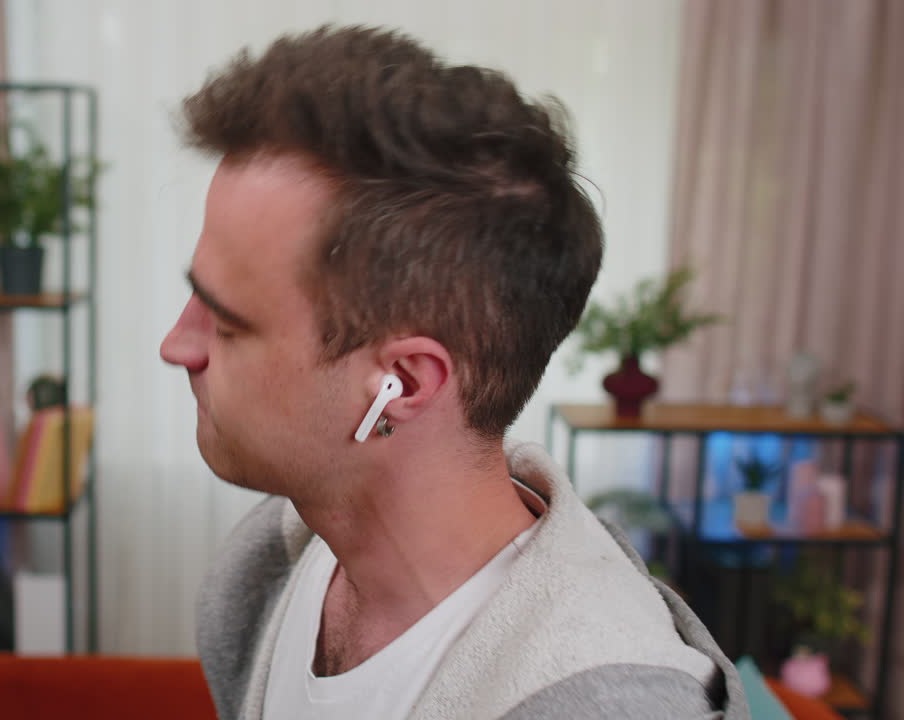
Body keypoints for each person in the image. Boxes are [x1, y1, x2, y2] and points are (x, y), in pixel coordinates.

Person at [159, 24, 744, 720]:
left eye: (227, 322)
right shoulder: (266, 573)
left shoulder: (605, 703)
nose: (176, 345)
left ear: (401, 384)